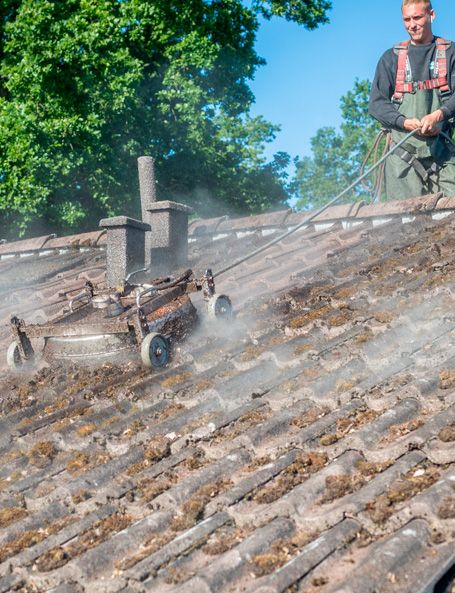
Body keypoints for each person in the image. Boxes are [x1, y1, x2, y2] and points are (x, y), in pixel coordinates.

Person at [369, 0, 455, 200]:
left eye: (417, 17)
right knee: (402, 225)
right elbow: (376, 104)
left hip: (443, 154)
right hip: (402, 160)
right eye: (407, 19)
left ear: (431, 15)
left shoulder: (451, 53)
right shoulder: (390, 58)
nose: (412, 25)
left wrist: (439, 115)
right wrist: (404, 122)